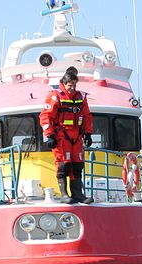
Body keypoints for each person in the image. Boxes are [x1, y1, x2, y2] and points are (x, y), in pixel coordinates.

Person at [39, 66, 94, 204]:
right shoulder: (55, 96)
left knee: (77, 165)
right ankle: (64, 195)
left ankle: (77, 194)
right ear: (64, 83)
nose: (72, 88)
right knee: (63, 165)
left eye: (74, 85)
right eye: (70, 85)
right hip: (61, 136)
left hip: (77, 137)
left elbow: (86, 116)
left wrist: (87, 133)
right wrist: (49, 135)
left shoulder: (81, 97)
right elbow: (45, 116)